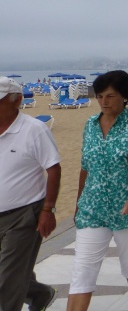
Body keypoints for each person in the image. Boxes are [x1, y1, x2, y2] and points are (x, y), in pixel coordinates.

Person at [67, 71, 128, 311]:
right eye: (99, 96)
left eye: (110, 96)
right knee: (82, 270)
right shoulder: (90, 125)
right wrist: (79, 204)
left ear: (125, 96)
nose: (104, 102)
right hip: (93, 208)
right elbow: (86, 167)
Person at [0, 77, 61, 311]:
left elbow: (53, 169)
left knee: (7, 280)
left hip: (23, 214)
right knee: (8, 275)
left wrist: (48, 209)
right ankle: (40, 293)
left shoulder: (34, 129)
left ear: (17, 101)